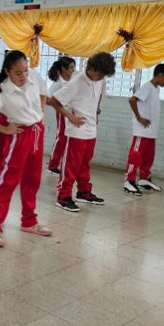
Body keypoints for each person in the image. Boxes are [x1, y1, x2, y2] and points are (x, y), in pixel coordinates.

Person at [0, 50, 52, 247]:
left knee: (33, 179)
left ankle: (29, 221)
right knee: (8, 181)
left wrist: (41, 115)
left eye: (26, 71)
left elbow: (44, 95)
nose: (23, 76)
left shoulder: (34, 79)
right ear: (8, 71)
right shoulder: (0, 91)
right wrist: (5, 129)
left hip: (37, 132)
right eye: (18, 73)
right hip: (18, 136)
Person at [49, 52, 116, 213]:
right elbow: (54, 101)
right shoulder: (76, 82)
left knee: (85, 164)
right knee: (71, 165)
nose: (101, 78)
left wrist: (96, 112)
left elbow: (97, 96)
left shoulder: (99, 80)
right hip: (76, 132)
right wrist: (70, 117)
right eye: (99, 74)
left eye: (103, 76)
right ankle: (63, 196)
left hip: (91, 130)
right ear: (91, 68)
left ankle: (83, 192)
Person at [123, 64, 164, 195]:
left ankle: (144, 179)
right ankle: (129, 181)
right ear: (160, 75)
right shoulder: (147, 87)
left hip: (151, 132)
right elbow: (132, 100)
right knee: (136, 155)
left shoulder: (155, 89)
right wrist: (139, 118)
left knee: (149, 157)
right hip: (142, 131)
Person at [46, 56, 76, 175]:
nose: (73, 70)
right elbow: (47, 100)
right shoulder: (57, 84)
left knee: (71, 138)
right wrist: (60, 107)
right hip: (63, 112)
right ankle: (52, 165)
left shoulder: (73, 78)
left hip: (73, 112)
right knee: (62, 137)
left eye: (74, 67)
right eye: (71, 68)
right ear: (63, 69)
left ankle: (65, 163)